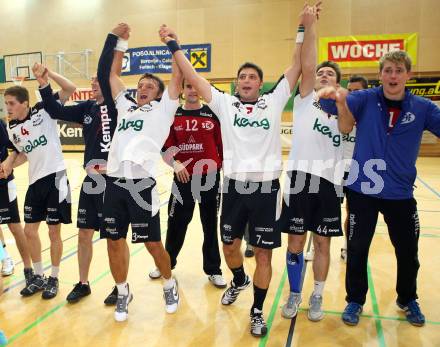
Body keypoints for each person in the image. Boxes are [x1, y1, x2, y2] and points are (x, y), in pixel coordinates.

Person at [158, 3, 319, 337]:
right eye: (242, 77)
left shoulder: (274, 100)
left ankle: (257, 311)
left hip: (265, 189)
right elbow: (192, 77)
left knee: (262, 253)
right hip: (232, 187)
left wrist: (304, 28)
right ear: (236, 85)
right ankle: (239, 280)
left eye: (253, 77)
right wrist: (174, 44)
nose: (247, 80)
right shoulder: (224, 104)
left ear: (261, 84)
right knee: (229, 245)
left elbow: (297, 66)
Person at [318, 50, 440, 327]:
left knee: (408, 251)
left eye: (398, 70)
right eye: (388, 70)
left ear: (408, 75)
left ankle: (408, 298)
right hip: (363, 190)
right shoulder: (365, 99)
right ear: (380, 75)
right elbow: (330, 105)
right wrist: (329, 94)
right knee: (358, 248)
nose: (393, 76)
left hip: (400, 194)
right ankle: (355, 300)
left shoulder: (423, 107)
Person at [99, 24, 183, 322]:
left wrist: (172, 42)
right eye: (141, 85)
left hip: (142, 186)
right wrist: (120, 41)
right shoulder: (126, 106)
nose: (143, 88)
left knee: (152, 244)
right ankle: (123, 291)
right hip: (114, 183)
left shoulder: (163, 111)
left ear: (159, 94)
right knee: (113, 240)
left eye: (149, 86)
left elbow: (178, 76)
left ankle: (169, 283)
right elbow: (111, 75)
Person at [35, 27, 120, 304]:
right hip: (91, 180)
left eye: (99, 81)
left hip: (114, 181)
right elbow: (55, 109)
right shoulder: (87, 109)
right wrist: (44, 83)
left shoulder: (119, 108)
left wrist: (116, 40)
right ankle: (83, 283)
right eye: (92, 82)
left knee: (113, 238)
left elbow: (109, 72)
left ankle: (121, 286)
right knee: (84, 232)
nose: (94, 84)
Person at [280, 7, 344, 321]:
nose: (322, 75)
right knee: (294, 242)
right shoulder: (307, 99)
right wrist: (309, 25)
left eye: (329, 74)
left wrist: (343, 100)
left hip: (329, 183)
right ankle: (294, 293)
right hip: (299, 179)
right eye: (320, 73)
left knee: (322, 243)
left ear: (339, 83)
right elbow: (307, 61)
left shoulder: (347, 111)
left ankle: (317, 295)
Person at [3, 68, 75, 299]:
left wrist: (49, 74)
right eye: (6, 103)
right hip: (35, 181)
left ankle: (54, 278)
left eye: (12, 103)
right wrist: (9, 163)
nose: (8, 107)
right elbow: (23, 154)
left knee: (54, 231)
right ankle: (38, 276)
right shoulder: (12, 129)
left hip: (56, 177)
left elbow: (70, 89)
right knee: (30, 230)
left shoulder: (44, 110)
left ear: (25, 103)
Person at [148, 80, 227, 289]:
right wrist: (175, 163)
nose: (193, 90)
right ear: (182, 90)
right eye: (189, 86)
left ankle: (214, 269)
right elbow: (165, 147)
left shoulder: (213, 114)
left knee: (210, 225)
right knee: (176, 224)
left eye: (196, 87)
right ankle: (167, 264)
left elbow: (223, 146)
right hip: (183, 179)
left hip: (210, 177)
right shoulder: (173, 116)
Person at [340, 75, 368, 262]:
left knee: (353, 212)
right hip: (334, 169)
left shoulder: (369, 116)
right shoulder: (339, 111)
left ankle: (347, 246)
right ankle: (317, 249)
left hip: (358, 170)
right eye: (349, 90)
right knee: (324, 211)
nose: (352, 94)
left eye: (356, 91)